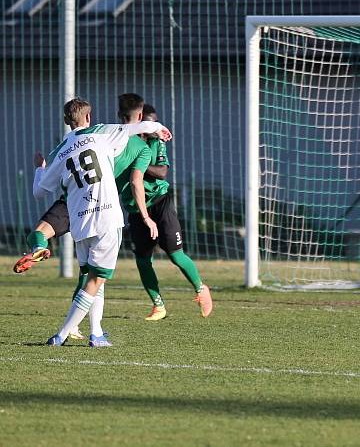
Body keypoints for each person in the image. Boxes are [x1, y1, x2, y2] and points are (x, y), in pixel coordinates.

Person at [13, 94, 158, 340]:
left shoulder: (60, 150)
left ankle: (96, 332)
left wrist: (40, 167)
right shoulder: (103, 133)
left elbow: (39, 192)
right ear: (89, 117)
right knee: (96, 279)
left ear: (66, 121)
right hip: (107, 216)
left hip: (80, 219)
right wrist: (160, 129)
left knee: (92, 276)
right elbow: (141, 126)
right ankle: (62, 334)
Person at [120, 103, 213, 320]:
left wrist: (137, 166)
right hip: (136, 206)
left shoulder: (157, 143)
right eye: (148, 123)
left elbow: (162, 172)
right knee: (143, 260)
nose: (152, 127)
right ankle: (158, 305)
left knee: (175, 254)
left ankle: (201, 289)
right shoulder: (121, 141)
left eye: (154, 123)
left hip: (160, 202)